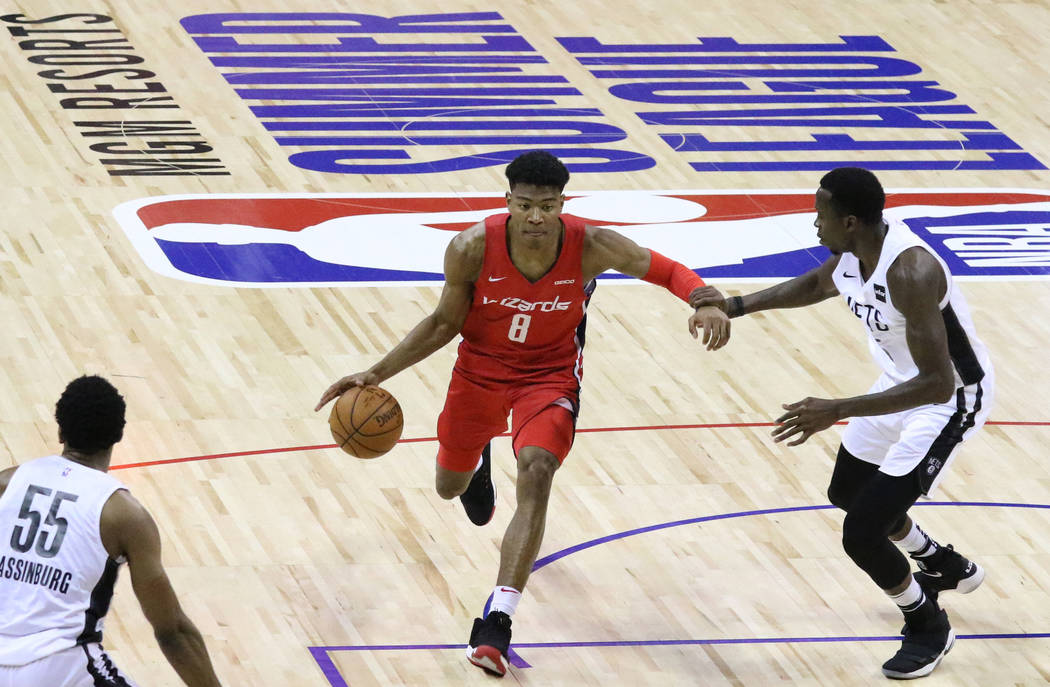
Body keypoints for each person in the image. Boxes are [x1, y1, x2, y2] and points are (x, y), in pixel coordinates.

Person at [316, 150, 730, 677]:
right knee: (449, 485)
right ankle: (480, 458)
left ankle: (498, 623)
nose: (536, 217)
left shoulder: (591, 246)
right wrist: (375, 373)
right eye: (526, 205)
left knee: (536, 470)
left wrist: (705, 299)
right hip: (478, 375)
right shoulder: (470, 248)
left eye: (547, 206)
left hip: (549, 377)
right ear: (507, 200)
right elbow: (444, 324)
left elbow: (665, 268)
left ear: (563, 204)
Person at [693, 166, 993, 679]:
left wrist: (836, 409)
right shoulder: (855, 252)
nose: (814, 223)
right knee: (848, 491)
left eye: (821, 214)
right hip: (900, 385)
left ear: (850, 221)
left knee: (862, 532)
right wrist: (736, 306)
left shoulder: (910, 271)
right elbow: (817, 282)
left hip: (948, 400)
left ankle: (927, 624)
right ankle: (939, 560)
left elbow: (939, 384)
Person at [0, 375, 223, 687]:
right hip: (63, 669)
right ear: (118, 435)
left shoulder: (7, 483)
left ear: (60, 430)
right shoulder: (124, 515)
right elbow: (172, 631)